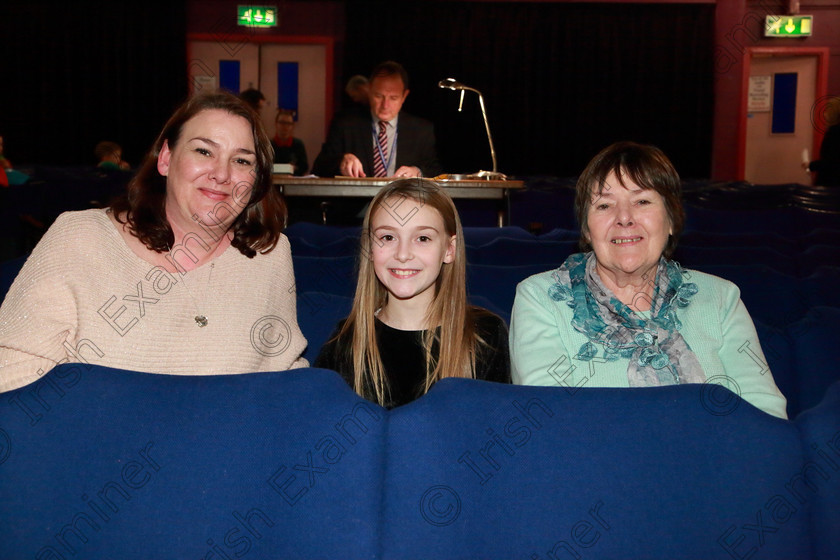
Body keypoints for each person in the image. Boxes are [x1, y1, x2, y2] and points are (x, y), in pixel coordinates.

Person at [0, 90, 308, 393]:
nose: (222, 174)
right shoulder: (79, 238)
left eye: (242, 161)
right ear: (165, 158)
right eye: (203, 151)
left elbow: (283, 379)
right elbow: (11, 373)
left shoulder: (269, 255)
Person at [509, 141, 788, 419]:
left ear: (670, 220)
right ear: (586, 229)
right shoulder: (541, 298)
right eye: (604, 205)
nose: (624, 218)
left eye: (642, 201)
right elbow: (552, 420)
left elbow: (765, 416)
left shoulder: (721, 298)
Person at [315, 178, 510, 408]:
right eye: (388, 237)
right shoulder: (346, 341)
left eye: (422, 238)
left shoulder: (485, 335)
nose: (403, 254)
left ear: (449, 249)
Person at [312, 61, 442, 179]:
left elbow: (435, 170)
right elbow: (319, 167)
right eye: (379, 96)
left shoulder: (421, 130)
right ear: (369, 91)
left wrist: (417, 171)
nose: (385, 105)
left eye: (393, 98)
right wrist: (341, 162)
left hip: (404, 202)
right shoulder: (345, 124)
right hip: (357, 203)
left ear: (404, 96)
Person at [806, 96, 840, 187]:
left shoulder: (834, 132)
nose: (824, 114)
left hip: (831, 184)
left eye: (827, 110)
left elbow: (831, 162)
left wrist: (810, 165)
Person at [271, 108, 308, 176]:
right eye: (282, 122)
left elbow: (304, 167)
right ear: (276, 124)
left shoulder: (298, 145)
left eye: (288, 123)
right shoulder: (269, 145)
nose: (285, 126)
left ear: (292, 126)